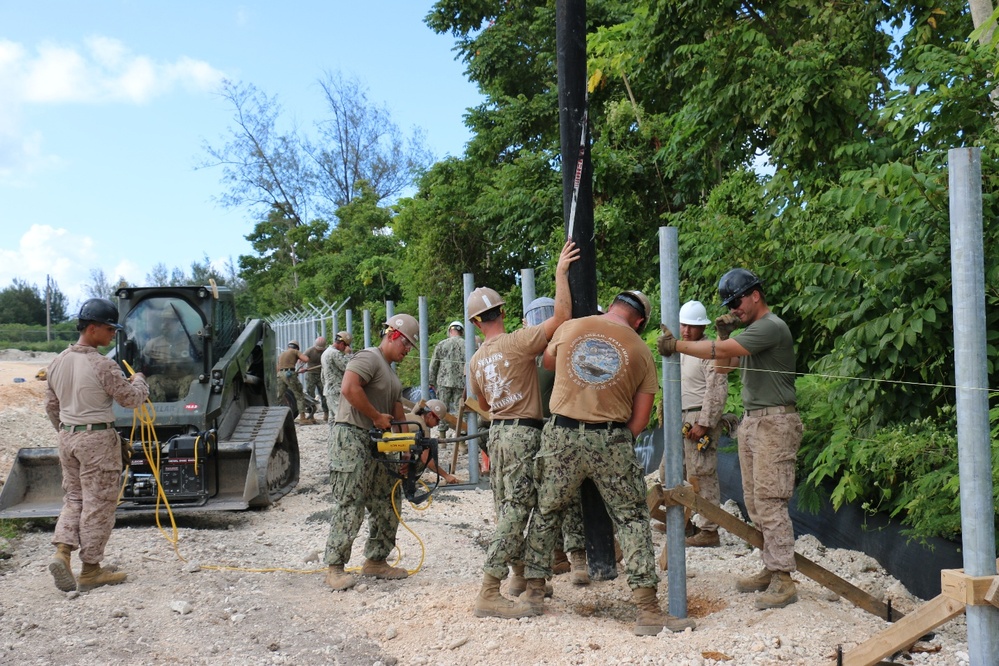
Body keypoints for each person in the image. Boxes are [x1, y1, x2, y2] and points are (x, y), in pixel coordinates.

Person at [523, 290, 697, 635]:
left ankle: (533, 594)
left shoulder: (572, 327)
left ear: (614, 307)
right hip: (611, 437)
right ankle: (647, 610)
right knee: (631, 518)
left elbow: (546, 363)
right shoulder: (642, 352)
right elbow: (642, 419)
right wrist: (614, 439)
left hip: (562, 434)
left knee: (546, 511)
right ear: (640, 320)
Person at [658, 268, 802, 610]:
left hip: (775, 422)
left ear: (755, 294)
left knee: (770, 500)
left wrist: (677, 345)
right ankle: (772, 568)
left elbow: (715, 354)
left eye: (737, 301)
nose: (734, 308)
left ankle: (783, 578)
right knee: (754, 501)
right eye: (729, 304)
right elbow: (725, 367)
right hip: (755, 422)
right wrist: (723, 339)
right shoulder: (754, 329)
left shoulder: (770, 327)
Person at [467, 240, 579, 620]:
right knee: (520, 509)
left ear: (475, 323)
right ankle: (489, 589)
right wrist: (560, 273)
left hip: (496, 433)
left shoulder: (476, 359)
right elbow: (562, 315)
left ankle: (520, 577)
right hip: (523, 432)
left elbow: (482, 405)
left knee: (506, 507)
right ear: (502, 311)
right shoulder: (518, 341)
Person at [44, 298, 150, 593]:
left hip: (67, 437)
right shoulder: (102, 364)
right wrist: (141, 381)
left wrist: (68, 433)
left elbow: (52, 407)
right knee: (99, 504)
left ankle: (62, 553)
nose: (113, 334)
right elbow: (130, 399)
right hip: (97, 439)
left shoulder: (56, 362)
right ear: (92, 329)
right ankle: (91, 570)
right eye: (109, 328)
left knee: (74, 498)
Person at [323, 314, 420, 591]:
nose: (407, 350)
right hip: (352, 435)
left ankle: (376, 560)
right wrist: (377, 416)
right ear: (393, 336)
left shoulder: (390, 373)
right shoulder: (368, 358)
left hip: (378, 441)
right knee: (351, 501)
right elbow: (349, 388)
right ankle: (335, 567)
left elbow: (399, 416)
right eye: (406, 344)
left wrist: (406, 451)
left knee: (387, 499)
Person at [524, 296, 588, 584]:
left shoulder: (531, 353)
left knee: (548, 498)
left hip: (544, 429)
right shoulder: (562, 348)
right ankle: (570, 558)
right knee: (565, 495)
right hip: (557, 428)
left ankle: (565, 557)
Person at [677, 300, 729, 548]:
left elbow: (717, 388)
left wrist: (706, 422)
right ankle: (685, 521)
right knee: (677, 471)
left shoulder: (710, 350)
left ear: (702, 327)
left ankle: (709, 530)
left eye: (692, 326)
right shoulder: (683, 350)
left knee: (703, 473)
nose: (686, 331)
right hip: (683, 416)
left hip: (698, 418)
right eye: (683, 325)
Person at [140, 312, 198, 402]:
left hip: (184, 378)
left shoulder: (190, 341)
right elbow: (142, 365)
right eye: (163, 322)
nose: (165, 325)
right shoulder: (153, 344)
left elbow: (199, 363)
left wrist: (184, 362)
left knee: (191, 380)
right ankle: (158, 411)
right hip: (165, 380)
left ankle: (183, 411)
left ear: (178, 324)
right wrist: (156, 365)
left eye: (169, 322)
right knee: (152, 380)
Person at [404, 399, 459, 485]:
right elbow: (426, 459)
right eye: (437, 420)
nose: (437, 424)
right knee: (429, 452)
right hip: (393, 458)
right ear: (430, 415)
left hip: (389, 453)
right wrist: (446, 476)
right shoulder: (421, 427)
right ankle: (405, 476)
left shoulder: (413, 417)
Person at [428, 321, 466, 415]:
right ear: (462, 332)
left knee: (441, 409)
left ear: (449, 330)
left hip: (443, 382)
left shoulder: (441, 344)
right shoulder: (467, 345)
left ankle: (442, 429)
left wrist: (431, 381)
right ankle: (462, 428)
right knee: (460, 409)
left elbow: (434, 364)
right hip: (461, 383)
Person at [277, 341, 313, 425]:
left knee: (279, 396)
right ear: (296, 347)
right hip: (289, 374)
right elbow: (306, 359)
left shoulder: (282, 354)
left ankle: (273, 416)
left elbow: (278, 367)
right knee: (299, 395)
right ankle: (303, 418)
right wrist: (299, 357)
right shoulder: (295, 351)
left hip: (280, 374)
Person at [321, 331, 353, 422]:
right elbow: (347, 367)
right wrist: (348, 354)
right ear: (342, 343)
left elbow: (322, 375)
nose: (347, 348)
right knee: (341, 417)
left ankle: (332, 436)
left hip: (328, 389)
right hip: (336, 390)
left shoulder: (325, 352)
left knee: (332, 419)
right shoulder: (335, 353)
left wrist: (325, 386)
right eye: (347, 346)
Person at [302, 336, 328, 421]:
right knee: (310, 395)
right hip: (310, 374)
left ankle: (326, 413)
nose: (319, 350)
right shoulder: (310, 350)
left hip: (321, 374)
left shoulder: (326, 351)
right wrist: (301, 368)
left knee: (324, 394)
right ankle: (311, 415)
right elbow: (301, 360)